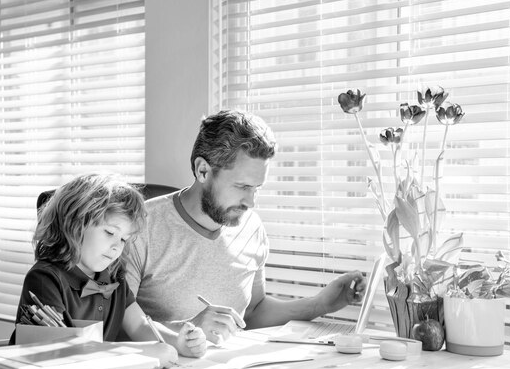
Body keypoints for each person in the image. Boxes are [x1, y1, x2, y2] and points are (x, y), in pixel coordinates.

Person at [127, 110, 366, 344]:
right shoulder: (139, 227)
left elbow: (252, 313)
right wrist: (188, 330)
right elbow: (113, 324)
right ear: (203, 171)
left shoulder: (251, 227)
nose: (250, 202)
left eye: (256, 189)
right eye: (242, 187)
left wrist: (321, 304)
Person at [9, 173, 207, 367]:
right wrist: (140, 353)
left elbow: (139, 325)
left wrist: (177, 342)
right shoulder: (45, 279)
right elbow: (62, 353)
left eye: (123, 239)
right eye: (110, 232)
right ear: (75, 223)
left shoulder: (113, 278)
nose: (116, 247)